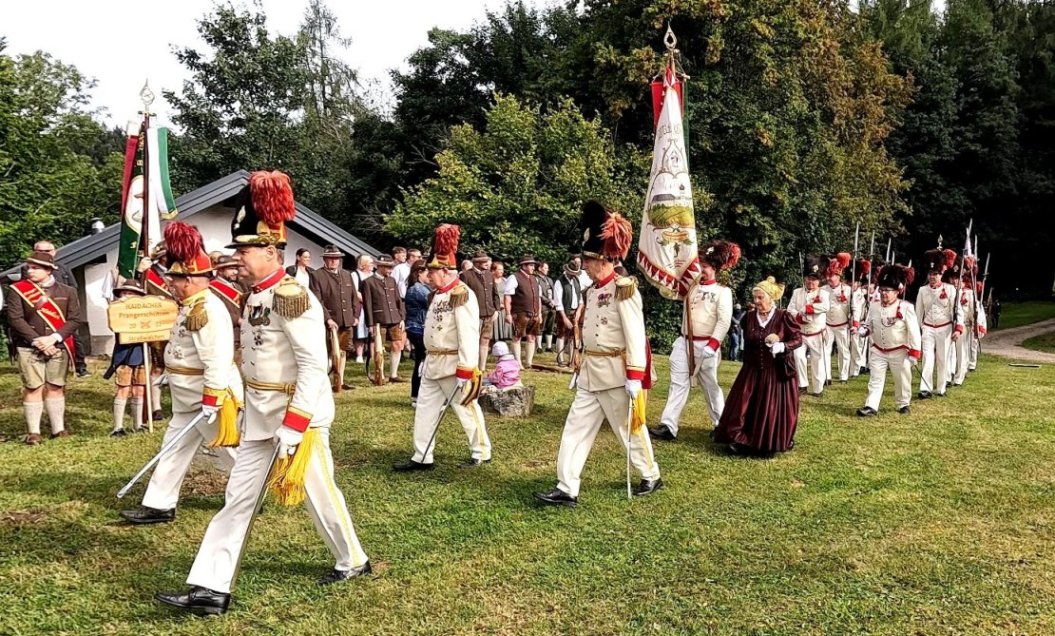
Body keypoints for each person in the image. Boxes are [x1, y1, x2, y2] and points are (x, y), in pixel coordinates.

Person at [157, 171, 369, 616]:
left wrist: (295, 424)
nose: (239, 258)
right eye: (239, 250)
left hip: (297, 418)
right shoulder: (256, 295)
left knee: (320, 494)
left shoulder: (294, 295)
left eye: (246, 250)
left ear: (272, 252)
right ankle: (210, 588)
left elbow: (316, 366)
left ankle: (353, 559)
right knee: (237, 499)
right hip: (258, 417)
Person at [534, 201, 661, 507]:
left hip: (617, 375)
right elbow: (588, 335)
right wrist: (579, 368)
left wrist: (634, 376)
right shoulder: (592, 292)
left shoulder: (624, 288)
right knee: (575, 428)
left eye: (589, 262)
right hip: (591, 373)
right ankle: (567, 486)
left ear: (603, 260)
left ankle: (651, 473)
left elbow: (634, 335)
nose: (586, 267)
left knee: (627, 429)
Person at [120, 222, 242, 525]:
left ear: (188, 279)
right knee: (172, 449)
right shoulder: (189, 306)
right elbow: (181, 350)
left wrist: (212, 398)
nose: (170, 284)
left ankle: (252, 495)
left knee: (229, 451)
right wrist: (167, 375)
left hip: (206, 397)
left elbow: (216, 358)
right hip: (187, 393)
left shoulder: (207, 310)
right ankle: (159, 504)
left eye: (174, 279)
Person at [393, 224, 491, 471]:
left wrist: (467, 367)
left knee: (465, 408)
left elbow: (468, 332)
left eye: (432, 271)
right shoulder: (437, 294)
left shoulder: (461, 294)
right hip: (433, 361)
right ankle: (422, 455)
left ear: (445, 271)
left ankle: (481, 451)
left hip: (452, 363)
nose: (428, 275)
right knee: (424, 410)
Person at [650, 239, 739, 442]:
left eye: (706, 266)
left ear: (714, 269)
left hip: (706, 345)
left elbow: (724, 321)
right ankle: (668, 425)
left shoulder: (722, 292)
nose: (702, 269)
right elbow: (671, 291)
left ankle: (721, 424)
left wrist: (714, 344)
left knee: (710, 386)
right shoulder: (690, 286)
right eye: (701, 265)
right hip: (684, 341)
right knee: (677, 383)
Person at [713, 277, 802, 456]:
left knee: (770, 408)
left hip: (775, 372)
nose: (756, 301)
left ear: (771, 298)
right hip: (752, 369)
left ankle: (767, 443)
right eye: (755, 297)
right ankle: (740, 439)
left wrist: (782, 345)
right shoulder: (750, 317)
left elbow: (798, 339)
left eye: (760, 298)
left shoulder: (783, 316)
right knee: (745, 405)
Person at [6, 250, 85, 444]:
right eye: (29, 267)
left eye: (36, 268)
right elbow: (15, 319)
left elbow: (75, 319)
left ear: (49, 270)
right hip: (28, 345)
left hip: (58, 345)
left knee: (56, 386)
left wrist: (54, 338)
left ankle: (58, 429)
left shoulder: (68, 291)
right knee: (33, 387)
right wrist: (37, 340)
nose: (30, 271)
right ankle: (34, 432)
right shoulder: (17, 290)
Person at [856, 264, 922, 416]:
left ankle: (903, 403)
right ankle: (871, 406)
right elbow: (869, 323)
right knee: (875, 380)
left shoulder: (905, 308)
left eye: (887, 290)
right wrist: (863, 330)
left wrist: (914, 353)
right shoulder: (874, 306)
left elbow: (914, 332)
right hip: (878, 350)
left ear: (896, 291)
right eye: (882, 290)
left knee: (902, 379)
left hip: (899, 351)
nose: (884, 293)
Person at [33, 240, 89, 377]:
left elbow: (73, 288)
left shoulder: (63, 268)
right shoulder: (28, 269)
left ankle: (80, 366)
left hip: (64, 310)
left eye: (47, 251)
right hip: (42, 311)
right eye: (40, 251)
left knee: (74, 338)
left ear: (54, 252)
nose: (44, 253)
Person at [309, 245, 360, 391]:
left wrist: (355, 315)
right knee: (329, 351)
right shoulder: (317, 275)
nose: (333, 261)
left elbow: (353, 297)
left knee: (343, 350)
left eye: (336, 259)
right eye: (331, 258)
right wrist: (328, 319)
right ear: (325, 259)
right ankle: (325, 381)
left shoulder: (346, 274)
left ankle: (340, 381)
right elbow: (317, 300)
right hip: (329, 321)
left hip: (346, 319)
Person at [104, 281, 150, 436]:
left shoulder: (146, 311)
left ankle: (138, 424)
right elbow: (116, 327)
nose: (126, 296)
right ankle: (118, 427)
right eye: (124, 293)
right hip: (123, 352)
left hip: (141, 351)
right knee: (123, 388)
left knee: (139, 389)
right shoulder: (116, 311)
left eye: (130, 293)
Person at [915, 247, 962, 399]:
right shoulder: (922, 290)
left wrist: (958, 328)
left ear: (941, 274)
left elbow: (957, 310)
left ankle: (941, 387)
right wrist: (917, 330)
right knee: (927, 358)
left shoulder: (950, 290)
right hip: (928, 328)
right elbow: (918, 312)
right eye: (930, 274)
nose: (932, 277)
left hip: (945, 328)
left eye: (935, 274)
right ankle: (925, 388)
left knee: (942, 358)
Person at [787, 256, 831, 396]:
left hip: (817, 333)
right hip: (800, 332)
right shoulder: (797, 292)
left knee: (818, 361)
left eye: (814, 279)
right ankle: (802, 384)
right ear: (805, 278)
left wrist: (808, 308)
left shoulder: (824, 293)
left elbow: (825, 307)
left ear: (819, 281)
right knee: (798, 356)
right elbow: (790, 309)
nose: (811, 281)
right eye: (809, 278)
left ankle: (818, 389)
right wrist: (798, 316)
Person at [361, 254, 406, 384]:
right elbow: (367, 304)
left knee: (397, 344)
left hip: (395, 318)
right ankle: (378, 373)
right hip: (378, 319)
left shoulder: (392, 280)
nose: (390, 270)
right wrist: (370, 323)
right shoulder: (368, 282)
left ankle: (393, 374)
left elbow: (398, 300)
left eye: (391, 267)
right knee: (377, 347)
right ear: (379, 267)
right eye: (387, 267)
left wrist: (402, 317)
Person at [460, 250, 499, 371]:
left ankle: (482, 367)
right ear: (477, 263)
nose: (487, 263)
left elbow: (495, 294)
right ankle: (472, 366)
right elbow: (462, 296)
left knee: (485, 340)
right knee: (473, 341)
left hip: (489, 314)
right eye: (484, 261)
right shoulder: (466, 275)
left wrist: (496, 310)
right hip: (473, 315)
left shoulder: (489, 274)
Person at [504, 255, 543, 369]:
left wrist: (539, 313)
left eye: (533, 265)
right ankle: (517, 362)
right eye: (531, 265)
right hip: (520, 312)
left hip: (534, 313)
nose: (533, 267)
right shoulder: (514, 277)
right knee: (517, 337)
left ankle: (528, 362)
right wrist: (508, 314)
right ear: (523, 266)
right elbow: (507, 296)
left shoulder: (534, 279)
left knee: (532, 337)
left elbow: (538, 297)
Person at [821, 253, 853, 385]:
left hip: (843, 324)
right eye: (828, 275)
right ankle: (826, 376)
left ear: (839, 276)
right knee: (825, 350)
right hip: (827, 324)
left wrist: (854, 322)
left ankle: (843, 376)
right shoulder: (822, 289)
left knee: (844, 351)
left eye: (832, 275)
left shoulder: (848, 289)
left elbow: (854, 307)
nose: (829, 278)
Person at [405, 262, 431, 407]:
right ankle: (417, 394)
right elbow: (433, 301)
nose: (430, 276)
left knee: (422, 360)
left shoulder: (422, 288)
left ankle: (418, 394)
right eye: (428, 272)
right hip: (417, 327)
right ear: (419, 272)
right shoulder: (417, 289)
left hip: (419, 327)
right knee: (422, 361)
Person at [552, 260, 584, 367]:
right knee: (561, 334)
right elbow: (558, 302)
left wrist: (579, 311)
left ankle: (571, 360)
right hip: (564, 311)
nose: (574, 275)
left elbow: (580, 299)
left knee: (573, 336)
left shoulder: (576, 281)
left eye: (575, 273)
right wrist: (564, 318)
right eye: (572, 273)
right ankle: (560, 359)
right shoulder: (559, 282)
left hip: (575, 312)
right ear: (567, 271)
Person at [849, 260, 871, 377]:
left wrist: (856, 325)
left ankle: (857, 368)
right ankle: (852, 368)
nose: (852, 284)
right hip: (849, 322)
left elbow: (857, 310)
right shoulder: (850, 292)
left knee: (858, 346)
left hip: (860, 322)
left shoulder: (860, 293)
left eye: (854, 282)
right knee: (851, 347)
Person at [351, 253, 374, 363]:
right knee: (360, 330)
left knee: (373, 330)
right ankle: (359, 355)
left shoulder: (373, 275)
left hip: (373, 306)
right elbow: (355, 291)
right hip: (361, 305)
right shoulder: (356, 274)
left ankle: (372, 353)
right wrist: (366, 301)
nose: (372, 265)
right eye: (370, 263)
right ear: (364, 264)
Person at [536, 261, 556, 353]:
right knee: (541, 326)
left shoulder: (550, 280)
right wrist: (548, 301)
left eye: (547, 268)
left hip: (552, 306)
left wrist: (554, 301)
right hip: (543, 306)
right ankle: (539, 347)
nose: (547, 270)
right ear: (540, 268)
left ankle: (549, 346)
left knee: (550, 326)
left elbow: (554, 291)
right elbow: (539, 294)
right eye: (545, 268)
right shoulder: (536, 279)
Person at [491, 260, 512, 342]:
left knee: (504, 328)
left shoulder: (505, 281)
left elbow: (508, 294)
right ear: (493, 270)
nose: (501, 271)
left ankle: (503, 344)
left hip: (504, 308)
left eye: (502, 270)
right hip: (494, 308)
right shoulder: (490, 281)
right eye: (499, 269)